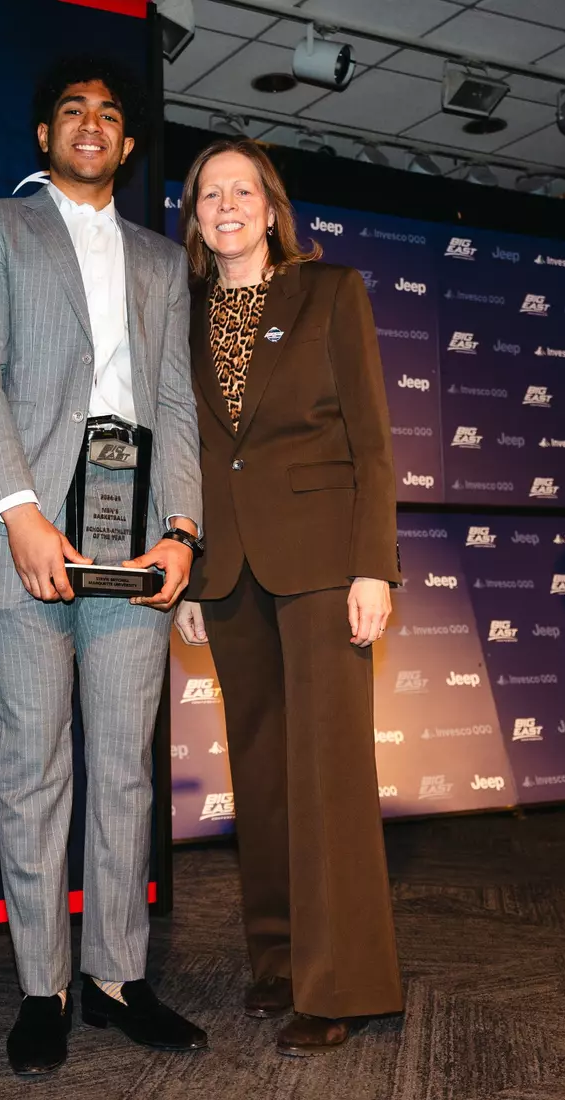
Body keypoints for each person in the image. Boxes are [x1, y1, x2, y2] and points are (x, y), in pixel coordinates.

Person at [0, 56, 206, 1076]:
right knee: (34, 763)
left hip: (134, 533)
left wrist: (181, 528)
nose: (91, 124)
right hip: (31, 523)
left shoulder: (156, 257)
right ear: (44, 134)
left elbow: (178, 402)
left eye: (109, 113)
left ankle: (114, 975)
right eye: (71, 111)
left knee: (124, 767)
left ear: (130, 143)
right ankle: (43, 984)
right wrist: (17, 512)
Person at [175, 139, 403, 1055]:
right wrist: (185, 566)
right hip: (226, 569)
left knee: (328, 780)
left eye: (242, 191)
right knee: (260, 776)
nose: (225, 205)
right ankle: (277, 961)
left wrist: (372, 567)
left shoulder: (331, 292)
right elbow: (190, 451)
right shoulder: (179, 313)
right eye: (207, 195)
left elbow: (374, 442)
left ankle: (339, 981)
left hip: (321, 566)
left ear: (271, 209)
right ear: (193, 217)